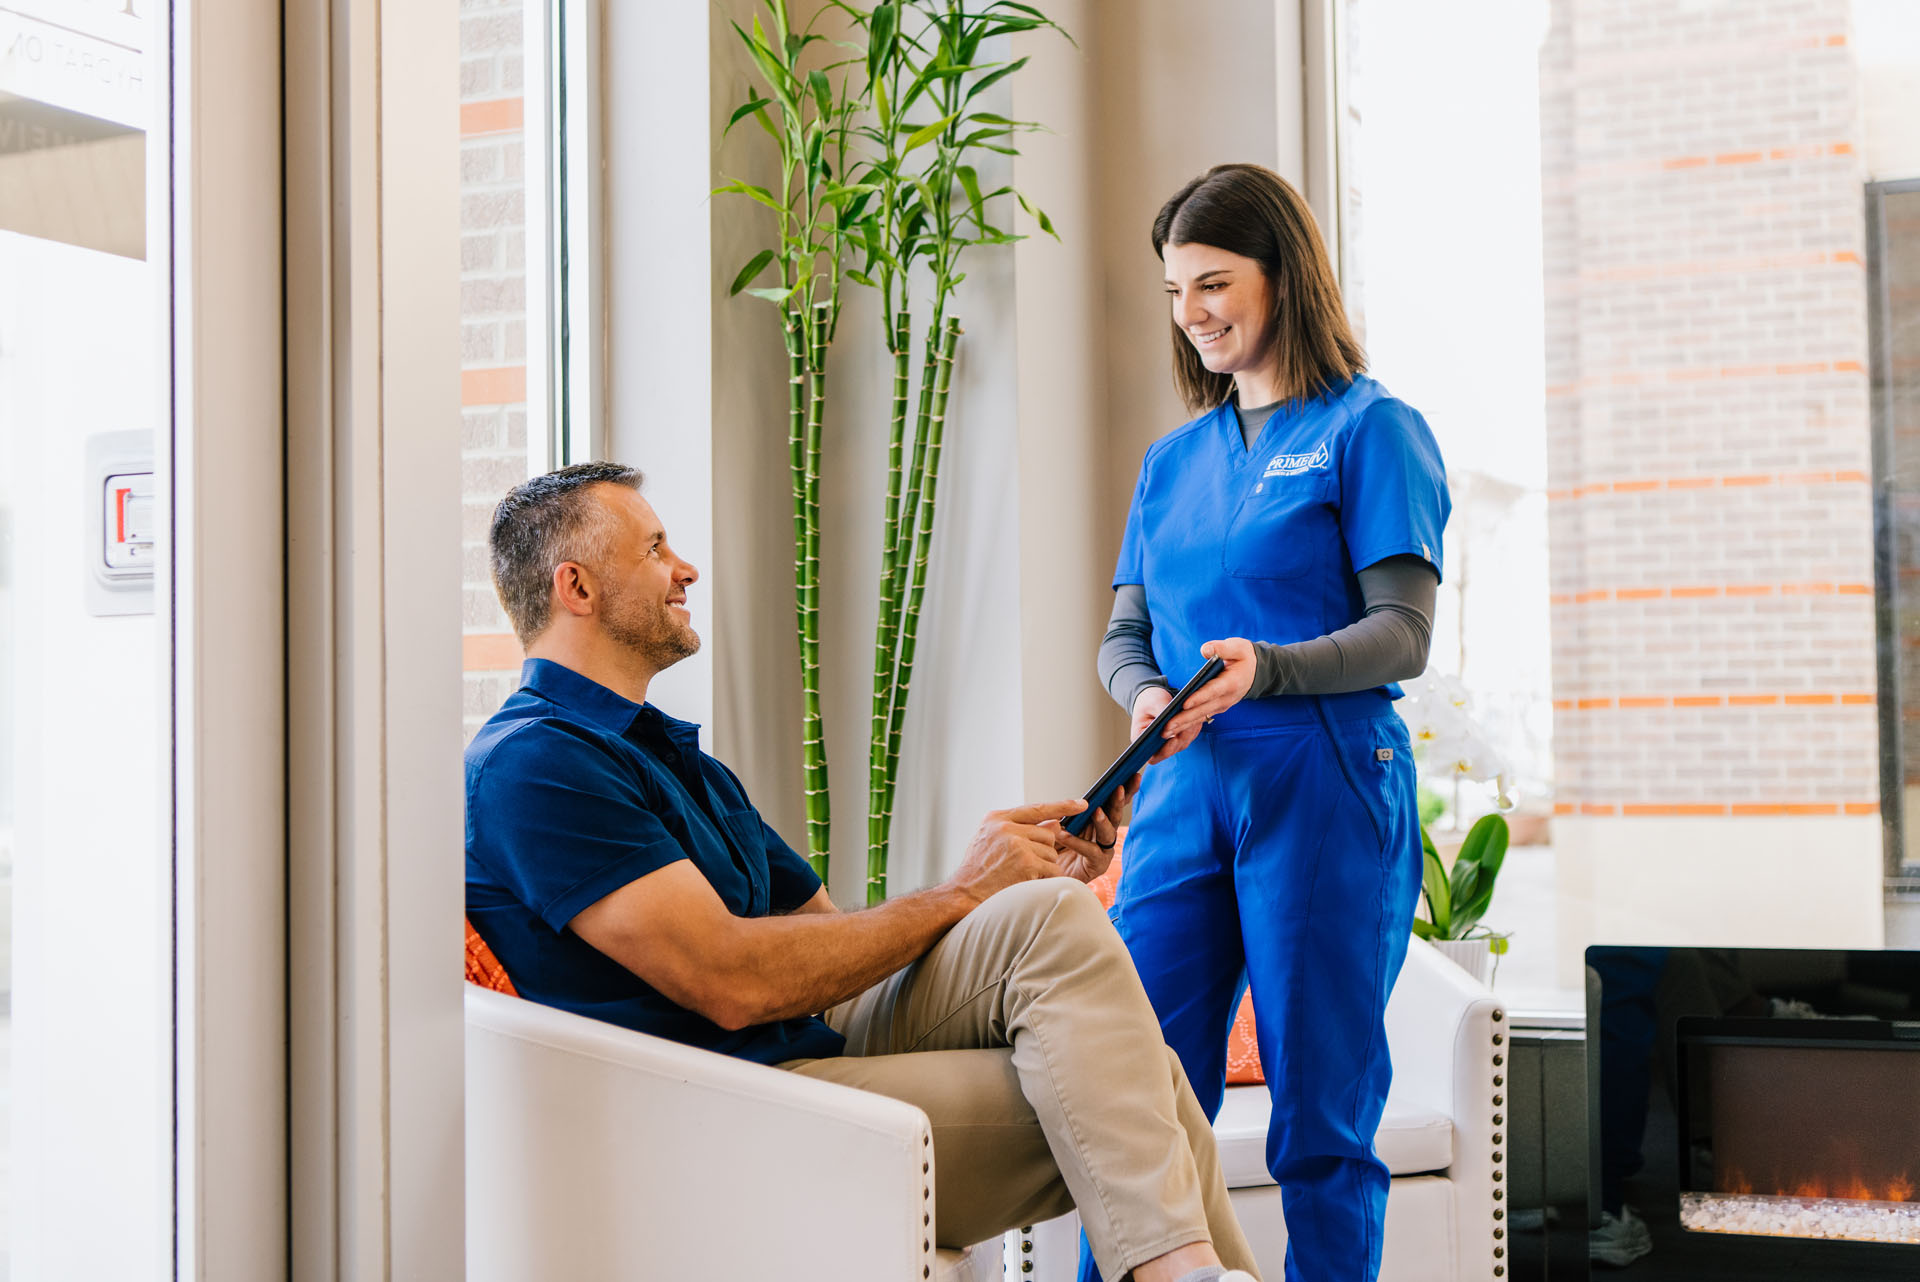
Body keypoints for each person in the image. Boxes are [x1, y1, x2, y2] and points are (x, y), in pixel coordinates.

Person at [466, 462, 1263, 1282]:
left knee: (1054, 917)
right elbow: (729, 981)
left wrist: (1008, 881)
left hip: (806, 1049)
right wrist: (964, 891)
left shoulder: (675, 759)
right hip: (727, 1110)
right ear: (578, 587)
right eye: (656, 548)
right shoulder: (534, 764)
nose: (686, 568)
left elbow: (829, 948)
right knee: (1136, 1090)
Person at [1087, 164, 1450, 1282]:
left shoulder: (1371, 429)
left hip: (1326, 782)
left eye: (1214, 282)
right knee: (1137, 1102)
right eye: (1175, 291)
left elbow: (1403, 632)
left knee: (1319, 1114)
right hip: (1188, 789)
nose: (1192, 313)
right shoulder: (1171, 462)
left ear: (1283, 275)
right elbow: (1125, 635)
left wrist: (1271, 671)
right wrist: (1143, 694)